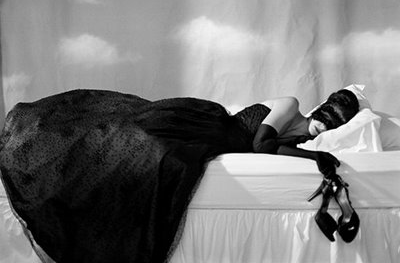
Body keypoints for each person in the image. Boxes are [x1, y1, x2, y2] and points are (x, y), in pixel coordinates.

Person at [0, 88, 359, 263]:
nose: (326, 124)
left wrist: (314, 149)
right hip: (209, 126)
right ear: (322, 106)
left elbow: (270, 148)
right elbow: (262, 143)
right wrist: (315, 157)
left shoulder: (304, 139)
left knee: (158, 158)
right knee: (132, 136)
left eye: (335, 123)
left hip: (213, 141)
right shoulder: (291, 105)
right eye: (328, 114)